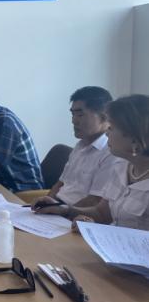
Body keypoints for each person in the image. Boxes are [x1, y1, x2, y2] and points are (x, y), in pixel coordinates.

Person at [35, 94, 149, 230]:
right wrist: (64, 210)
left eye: (111, 128)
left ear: (135, 139)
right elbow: (102, 213)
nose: (107, 133)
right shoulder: (121, 167)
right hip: (107, 241)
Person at [44, 87, 126, 206]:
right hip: (58, 207)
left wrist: (60, 211)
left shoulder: (112, 152)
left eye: (80, 115)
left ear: (104, 116)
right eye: (73, 114)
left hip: (76, 213)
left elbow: (95, 201)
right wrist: (44, 205)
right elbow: (60, 184)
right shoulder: (80, 145)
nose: (74, 121)